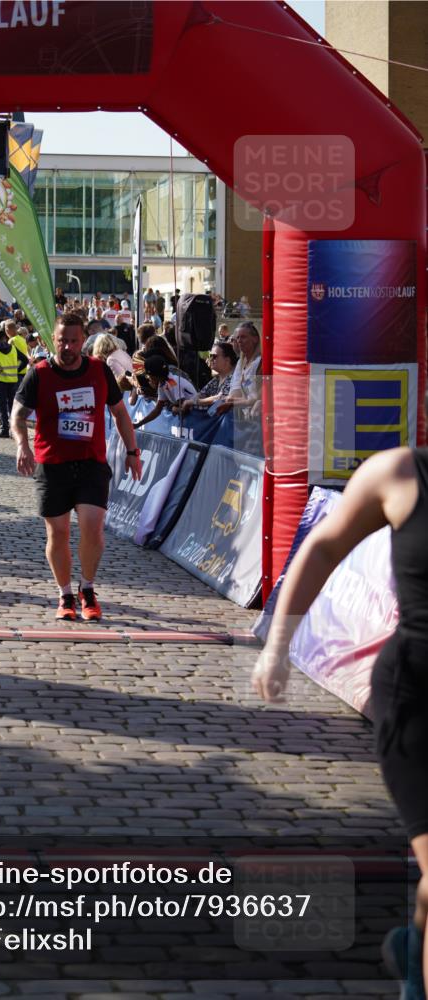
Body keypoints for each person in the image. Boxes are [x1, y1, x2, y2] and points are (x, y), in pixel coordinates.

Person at [252, 446, 428, 999]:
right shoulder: (400, 473)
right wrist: (277, 647)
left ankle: (414, 950)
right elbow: (325, 546)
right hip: (416, 699)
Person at [12, 312, 142, 621]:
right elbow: (18, 414)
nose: (67, 347)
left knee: (92, 529)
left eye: (73, 341)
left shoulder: (98, 370)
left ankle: (87, 588)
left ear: (83, 341)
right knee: (57, 533)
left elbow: (120, 413)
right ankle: (65, 594)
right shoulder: (39, 373)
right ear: (53, 340)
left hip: (90, 463)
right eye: (62, 341)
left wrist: (132, 451)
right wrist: (22, 444)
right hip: (52, 465)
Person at [132, 354, 198, 429]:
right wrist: (139, 424)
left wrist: (174, 409)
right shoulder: (163, 384)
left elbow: (184, 410)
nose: (148, 378)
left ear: (155, 375)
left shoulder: (173, 382)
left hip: (196, 413)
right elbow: (157, 410)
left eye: (148, 376)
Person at [0, 328, 27, 438]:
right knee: (12, 406)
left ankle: (4, 430)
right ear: (5, 337)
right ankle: (14, 430)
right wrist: (17, 370)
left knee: (1, 406)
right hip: (13, 381)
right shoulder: (13, 348)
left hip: (0, 382)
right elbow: (25, 360)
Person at [215, 321, 262, 416]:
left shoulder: (261, 362)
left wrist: (232, 402)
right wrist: (229, 400)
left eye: (243, 337)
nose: (239, 341)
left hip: (255, 415)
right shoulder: (241, 362)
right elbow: (235, 392)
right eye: (238, 337)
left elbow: (259, 397)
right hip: (240, 413)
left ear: (255, 339)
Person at [180, 340, 237, 413]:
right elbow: (201, 394)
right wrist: (190, 402)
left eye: (214, 356)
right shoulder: (217, 378)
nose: (210, 359)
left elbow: (220, 398)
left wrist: (193, 402)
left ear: (227, 360)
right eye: (210, 356)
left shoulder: (234, 378)